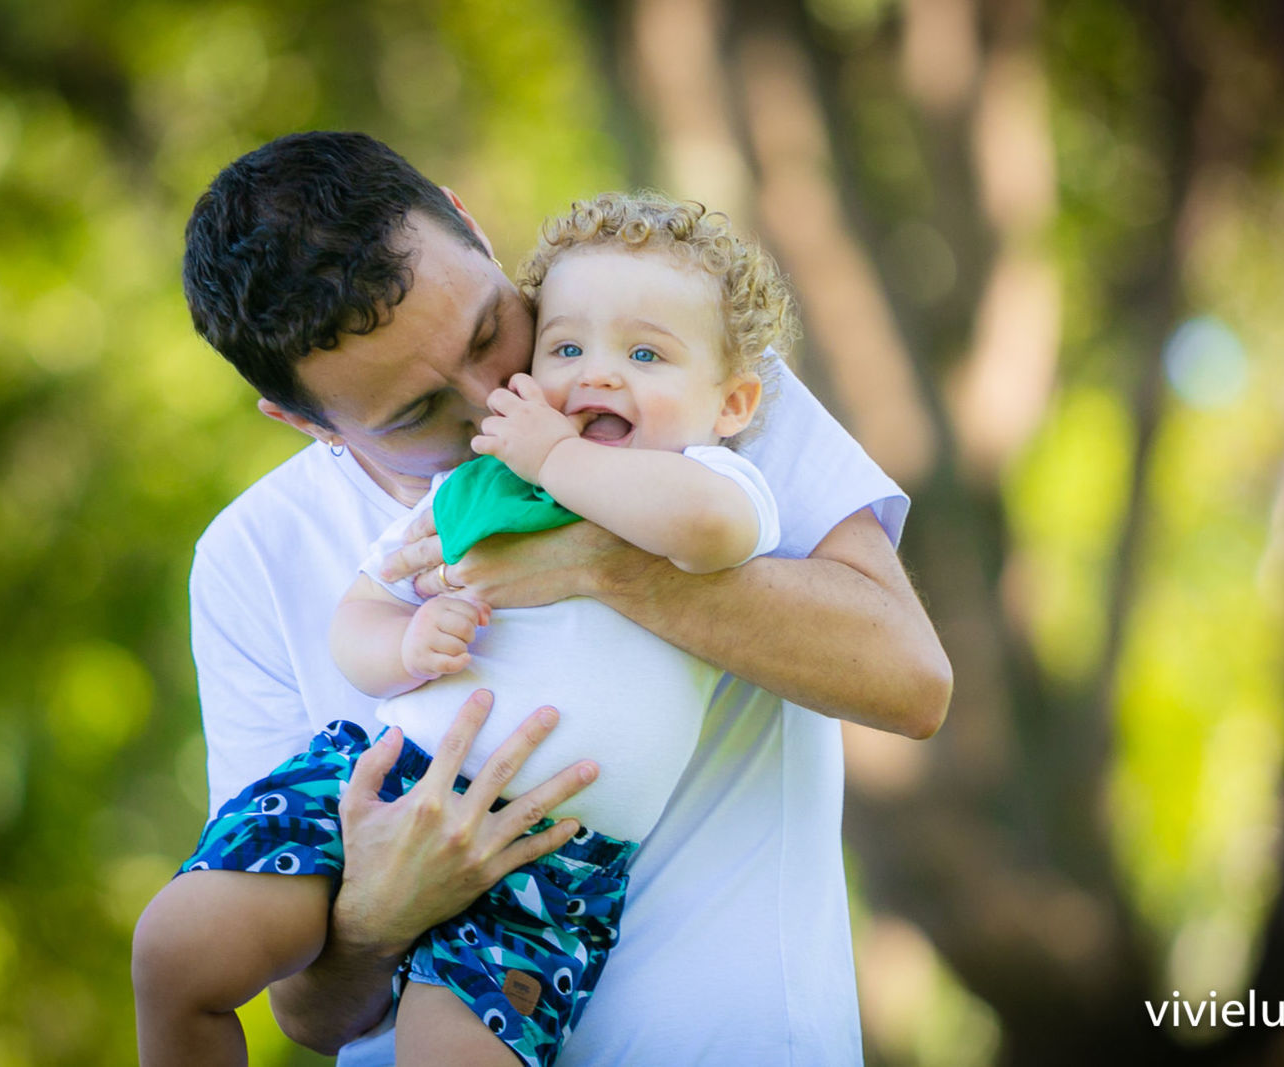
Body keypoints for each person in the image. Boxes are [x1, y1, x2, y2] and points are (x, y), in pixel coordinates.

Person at [137, 131, 950, 1066]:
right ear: (304, 422)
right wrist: (372, 918)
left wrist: (599, 561)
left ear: (473, 228)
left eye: (490, 332)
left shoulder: (670, 371)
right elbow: (307, 1015)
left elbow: (910, 681)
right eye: (414, 414)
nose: (496, 400)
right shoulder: (250, 557)